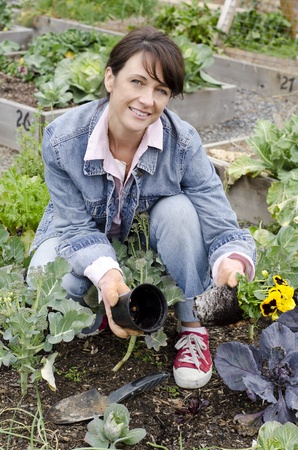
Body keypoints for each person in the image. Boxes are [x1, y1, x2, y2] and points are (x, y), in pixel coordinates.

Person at [28, 26, 256, 390]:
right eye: (137, 82)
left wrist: (231, 259)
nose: (147, 100)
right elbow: (74, 227)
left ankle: (192, 327)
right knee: (44, 273)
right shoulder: (63, 139)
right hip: (84, 235)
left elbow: (221, 222)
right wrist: (108, 276)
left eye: (161, 90)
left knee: (180, 211)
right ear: (110, 78)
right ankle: (103, 303)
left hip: (143, 239)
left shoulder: (182, 144)